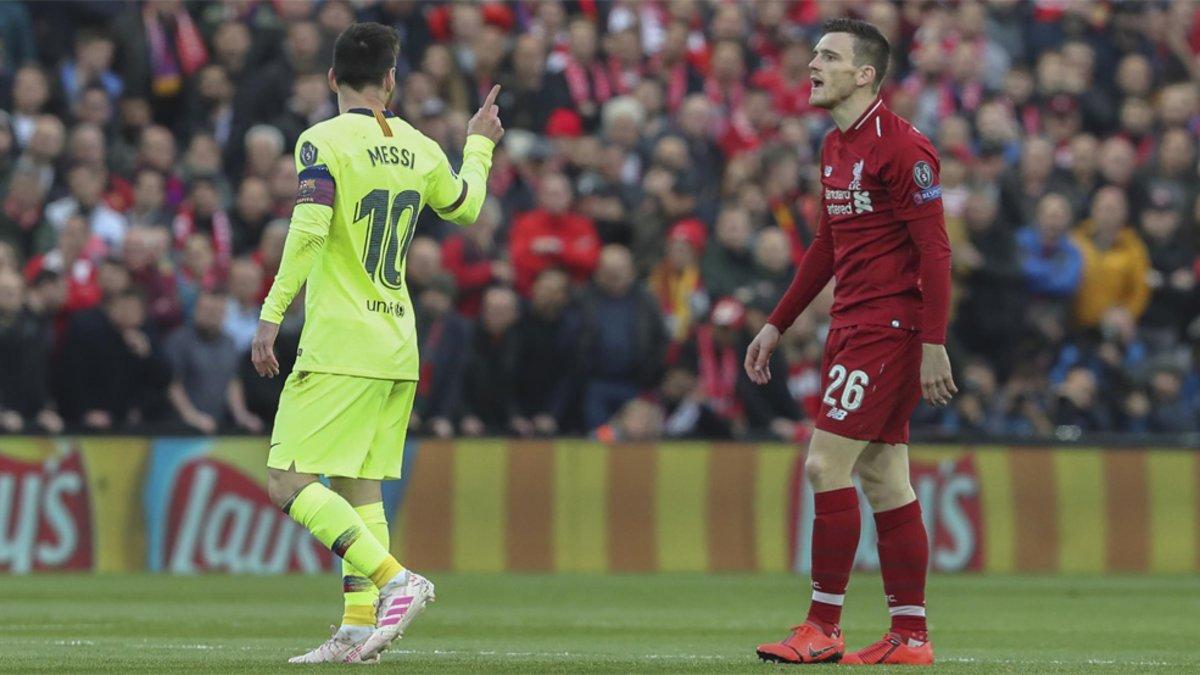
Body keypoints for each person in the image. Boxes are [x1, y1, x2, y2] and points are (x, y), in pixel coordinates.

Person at [248, 23, 503, 664]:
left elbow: (307, 233)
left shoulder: (321, 142)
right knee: (360, 489)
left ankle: (396, 581)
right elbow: (466, 209)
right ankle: (358, 629)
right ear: (391, 80)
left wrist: (271, 315)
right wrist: (478, 145)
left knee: (286, 480)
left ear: (332, 78)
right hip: (397, 344)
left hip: (341, 342)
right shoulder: (419, 147)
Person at [746, 20, 952, 666]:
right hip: (854, 325)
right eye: (814, 54)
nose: (812, 64)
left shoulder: (904, 150)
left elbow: (936, 250)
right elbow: (827, 247)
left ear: (865, 74)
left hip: (886, 329)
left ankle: (822, 625)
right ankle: (909, 636)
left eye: (828, 56)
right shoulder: (835, 146)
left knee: (823, 465)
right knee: (886, 479)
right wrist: (778, 321)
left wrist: (934, 343)